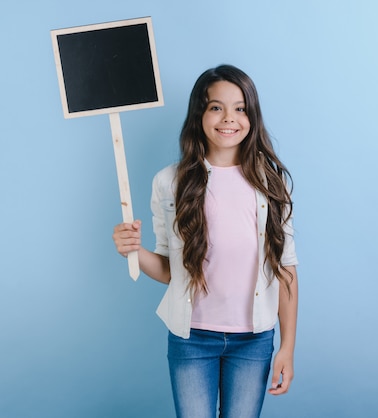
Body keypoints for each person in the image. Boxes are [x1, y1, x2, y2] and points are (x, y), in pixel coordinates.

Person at [112, 64, 298, 418]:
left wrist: (286, 347)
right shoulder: (170, 182)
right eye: (216, 107)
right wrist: (133, 251)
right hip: (191, 339)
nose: (228, 118)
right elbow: (170, 270)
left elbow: (285, 268)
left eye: (240, 108)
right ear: (199, 114)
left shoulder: (271, 183)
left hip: (254, 340)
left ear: (251, 116)